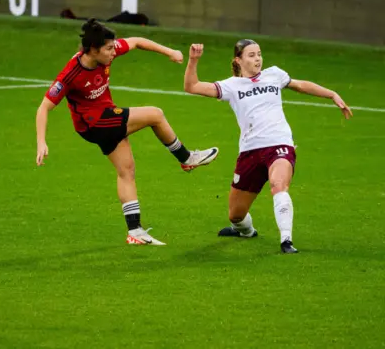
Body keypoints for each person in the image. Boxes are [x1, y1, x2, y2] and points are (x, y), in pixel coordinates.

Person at [36, 19, 219, 246]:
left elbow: (136, 41)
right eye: (109, 49)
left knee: (126, 170)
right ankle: (186, 158)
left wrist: (169, 51)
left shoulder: (106, 52)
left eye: (114, 47)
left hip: (105, 117)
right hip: (95, 123)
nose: (114, 52)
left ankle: (135, 231)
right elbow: (44, 107)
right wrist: (41, 141)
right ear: (93, 50)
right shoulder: (71, 74)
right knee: (155, 114)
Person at [183, 40, 352, 253]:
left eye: (259, 54)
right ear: (239, 60)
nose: (258, 59)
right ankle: (246, 231)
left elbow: (300, 85)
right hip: (249, 152)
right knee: (235, 215)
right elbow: (191, 86)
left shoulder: (274, 74)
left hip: (279, 144)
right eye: (252, 55)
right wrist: (193, 60)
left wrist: (332, 94)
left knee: (278, 184)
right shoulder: (231, 86)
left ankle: (286, 240)